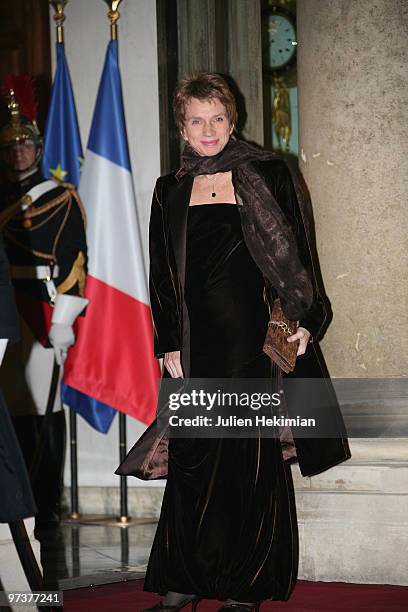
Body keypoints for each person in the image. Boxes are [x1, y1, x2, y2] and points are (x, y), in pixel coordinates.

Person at [141, 73, 351, 611]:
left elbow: (300, 255)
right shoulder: (169, 189)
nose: (208, 130)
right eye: (196, 120)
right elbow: (161, 276)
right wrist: (167, 342)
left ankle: (245, 584)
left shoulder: (269, 174)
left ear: (233, 121)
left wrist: (307, 318)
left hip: (256, 344)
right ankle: (184, 580)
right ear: (182, 128)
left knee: (247, 461)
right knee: (192, 458)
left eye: (217, 118)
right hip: (194, 344)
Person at [0, 88, 88, 529]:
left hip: (40, 310)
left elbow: (75, 260)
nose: (19, 152)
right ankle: (12, 501)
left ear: (38, 148)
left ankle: (45, 501)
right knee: (10, 410)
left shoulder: (60, 197)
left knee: (43, 409)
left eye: (26, 144)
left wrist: (66, 320)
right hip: (3, 307)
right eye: (11, 145)